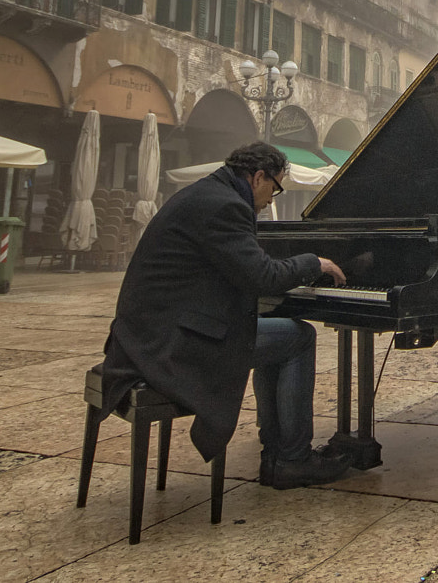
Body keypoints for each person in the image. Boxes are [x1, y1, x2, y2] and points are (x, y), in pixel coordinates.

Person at [99, 142, 352, 489]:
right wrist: (314, 263)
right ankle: (291, 459)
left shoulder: (206, 194)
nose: (271, 200)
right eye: (274, 188)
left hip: (148, 332)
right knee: (298, 337)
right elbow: (263, 277)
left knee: (277, 332)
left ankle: (278, 450)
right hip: (167, 343)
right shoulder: (225, 206)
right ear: (258, 176)